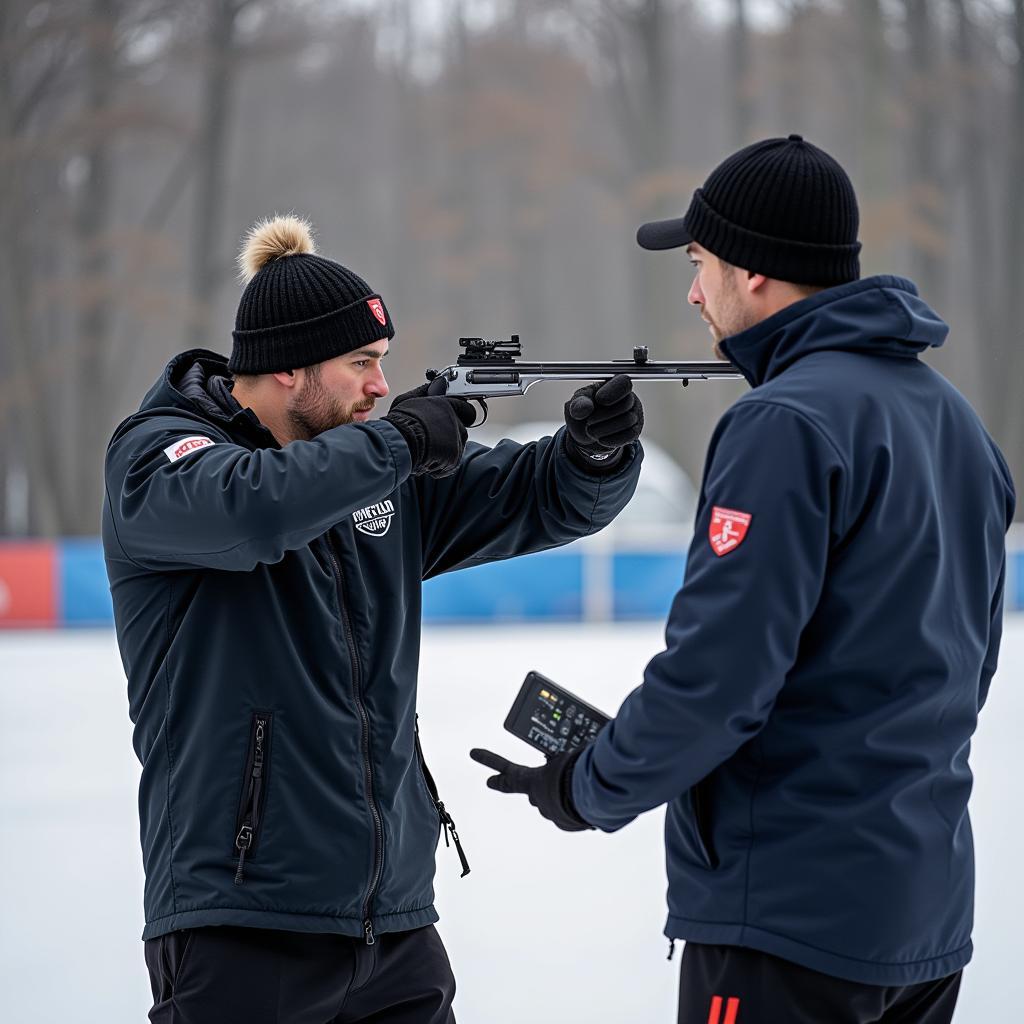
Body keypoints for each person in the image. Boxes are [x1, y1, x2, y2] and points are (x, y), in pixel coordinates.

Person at [472, 135, 1016, 1024]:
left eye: (700, 262)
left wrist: (586, 785)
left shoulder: (785, 423)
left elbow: (717, 681)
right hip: (922, 915)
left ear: (755, 273)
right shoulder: (955, 423)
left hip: (790, 922)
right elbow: (969, 666)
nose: (692, 291)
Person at [101, 214, 645, 1023]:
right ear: (289, 370)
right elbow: (255, 508)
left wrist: (591, 455)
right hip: (241, 921)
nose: (380, 388)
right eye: (361, 364)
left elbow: (529, 498)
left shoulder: (367, 470)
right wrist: (394, 445)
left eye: (382, 364)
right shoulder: (161, 459)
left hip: (391, 925)